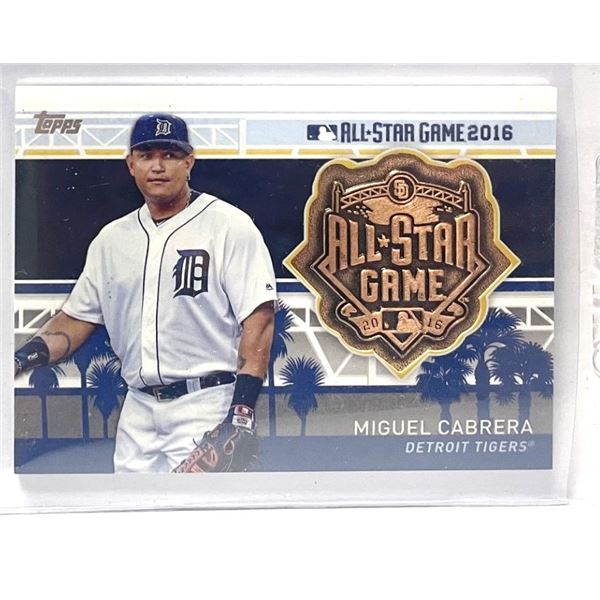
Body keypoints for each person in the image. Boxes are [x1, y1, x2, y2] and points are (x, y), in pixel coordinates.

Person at [14, 113, 277, 473]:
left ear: (189, 162)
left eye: (170, 155)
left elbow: (259, 320)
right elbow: (75, 320)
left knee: (197, 508)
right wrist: (18, 360)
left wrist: (242, 411)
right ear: (131, 165)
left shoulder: (229, 225)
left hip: (204, 404)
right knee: (127, 507)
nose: (158, 166)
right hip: (137, 409)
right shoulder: (111, 240)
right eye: (146, 155)